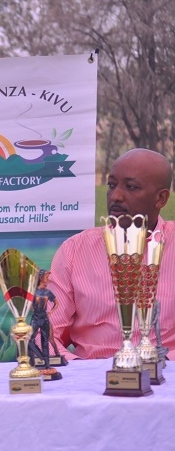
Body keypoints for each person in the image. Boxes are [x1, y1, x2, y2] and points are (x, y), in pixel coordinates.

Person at [49, 148, 175, 360]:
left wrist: (164, 367)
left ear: (161, 199)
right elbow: (45, 334)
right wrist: (82, 371)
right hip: (91, 374)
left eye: (131, 187)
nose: (115, 196)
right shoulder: (75, 250)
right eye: (111, 185)